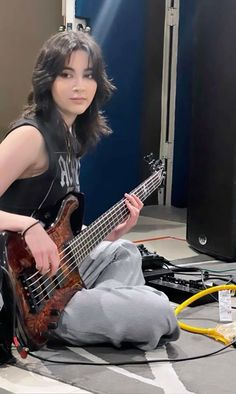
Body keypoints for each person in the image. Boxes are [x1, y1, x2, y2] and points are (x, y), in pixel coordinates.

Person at [0, 30, 179, 351]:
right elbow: (33, 222)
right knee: (159, 313)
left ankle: (92, 309)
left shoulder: (70, 139)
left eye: (88, 75)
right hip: (21, 291)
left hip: (56, 274)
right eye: (66, 74)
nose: (79, 85)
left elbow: (55, 222)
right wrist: (25, 226)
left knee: (123, 250)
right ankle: (68, 320)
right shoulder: (31, 137)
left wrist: (108, 234)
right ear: (47, 80)